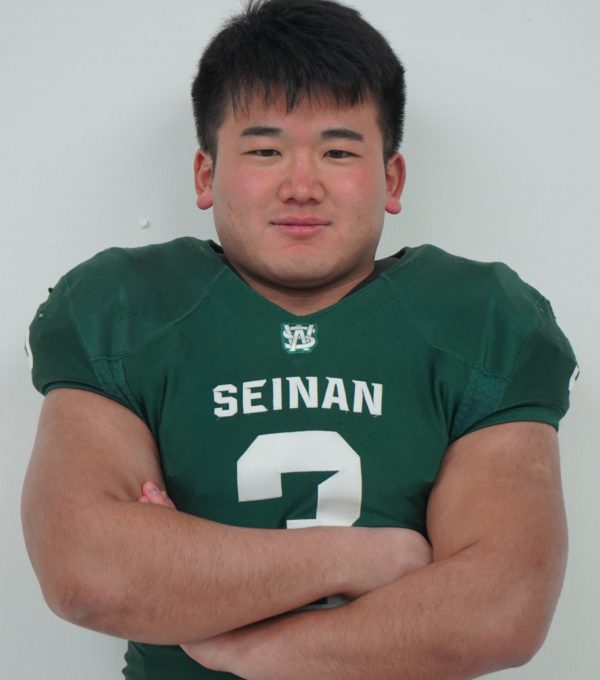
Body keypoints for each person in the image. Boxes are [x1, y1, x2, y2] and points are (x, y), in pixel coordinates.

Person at [22, 0, 577, 678]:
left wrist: (237, 644)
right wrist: (369, 556)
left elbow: (500, 608)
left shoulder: (481, 319)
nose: (302, 186)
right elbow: (88, 572)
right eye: (265, 150)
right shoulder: (124, 306)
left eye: (339, 152)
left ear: (391, 178)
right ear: (206, 174)